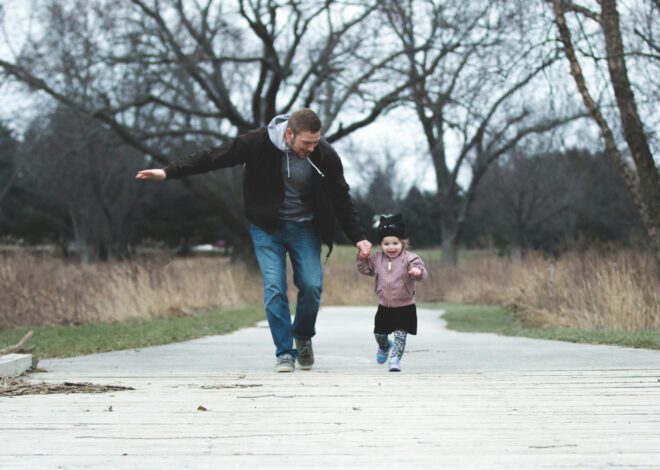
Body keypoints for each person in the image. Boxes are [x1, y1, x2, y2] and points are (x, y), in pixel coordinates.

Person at [136, 109, 372, 372]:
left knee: (312, 286)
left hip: (304, 227)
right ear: (289, 133)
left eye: (316, 141)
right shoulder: (257, 142)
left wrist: (359, 238)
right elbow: (215, 156)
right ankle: (284, 353)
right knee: (274, 288)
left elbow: (341, 197)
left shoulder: (324, 154)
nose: (312, 148)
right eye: (307, 143)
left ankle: (303, 336)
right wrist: (169, 172)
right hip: (267, 228)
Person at [356, 214, 427, 372]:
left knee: (401, 336)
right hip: (384, 307)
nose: (391, 247)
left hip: (405, 306)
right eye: (386, 243)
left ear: (402, 243)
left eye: (395, 243)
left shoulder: (410, 259)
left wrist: (417, 272)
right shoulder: (377, 260)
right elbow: (365, 269)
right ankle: (384, 346)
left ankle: (395, 360)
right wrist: (361, 258)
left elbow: (423, 273)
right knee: (379, 334)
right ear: (381, 244)